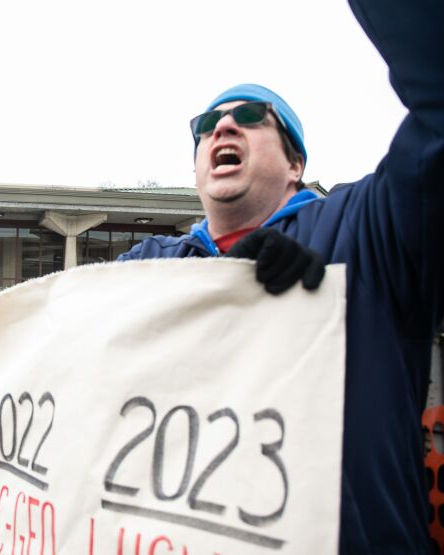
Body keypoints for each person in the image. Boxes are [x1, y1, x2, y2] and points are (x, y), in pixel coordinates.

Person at [118, 0, 443, 551]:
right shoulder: (147, 263)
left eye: (250, 117)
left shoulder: (368, 227)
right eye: (206, 125)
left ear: (296, 164)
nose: (222, 124)